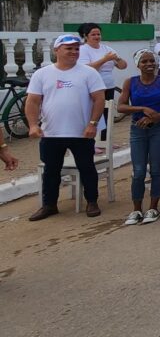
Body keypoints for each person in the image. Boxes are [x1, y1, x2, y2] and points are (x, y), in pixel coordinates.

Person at [25, 34, 107, 221]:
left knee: (86, 168)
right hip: (51, 133)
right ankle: (49, 205)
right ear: (56, 50)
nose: (74, 52)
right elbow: (32, 101)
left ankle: (92, 201)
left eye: (76, 48)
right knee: (51, 170)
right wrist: (32, 125)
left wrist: (92, 124)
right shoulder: (42, 74)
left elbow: (99, 99)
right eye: (68, 48)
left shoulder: (88, 72)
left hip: (82, 132)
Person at [118, 50, 160, 225]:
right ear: (138, 64)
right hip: (137, 129)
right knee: (138, 171)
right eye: (144, 61)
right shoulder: (131, 83)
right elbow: (121, 106)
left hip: (157, 129)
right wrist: (141, 109)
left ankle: (153, 207)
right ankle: (136, 209)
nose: (149, 64)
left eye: (151, 61)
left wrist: (156, 117)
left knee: (155, 169)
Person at [76, 23, 126, 101]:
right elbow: (85, 69)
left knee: (107, 111)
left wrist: (118, 59)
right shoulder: (83, 49)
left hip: (109, 86)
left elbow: (123, 66)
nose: (97, 37)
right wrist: (105, 59)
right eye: (93, 35)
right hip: (92, 88)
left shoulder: (107, 49)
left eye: (98, 34)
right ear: (86, 36)